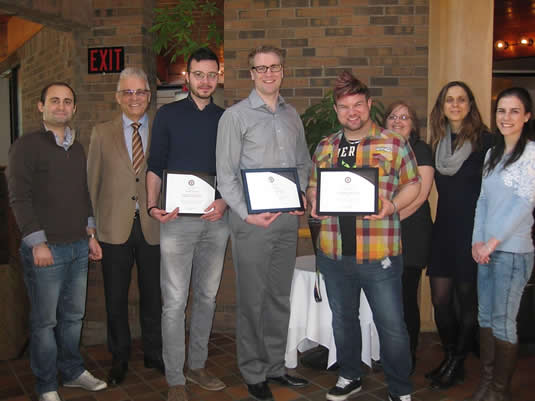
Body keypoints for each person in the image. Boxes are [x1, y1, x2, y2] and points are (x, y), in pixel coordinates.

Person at [306, 71, 419, 401]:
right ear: (336, 109)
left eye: (358, 105)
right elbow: (314, 186)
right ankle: (350, 375)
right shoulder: (326, 147)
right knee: (343, 321)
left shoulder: (393, 143)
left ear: (369, 104)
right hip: (334, 253)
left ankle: (400, 389)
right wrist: (314, 201)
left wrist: (391, 206)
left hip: (378, 253)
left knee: (392, 326)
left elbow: (413, 184)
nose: (351, 112)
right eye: (344, 107)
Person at [216, 44, 311, 401]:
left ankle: (274, 366)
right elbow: (225, 176)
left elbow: (302, 163)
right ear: (252, 73)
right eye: (261, 68)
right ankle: (253, 370)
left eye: (274, 67)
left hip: (286, 221)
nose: (268, 73)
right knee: (253, 300)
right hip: (252, 223)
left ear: (282, 70)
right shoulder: (235, 117)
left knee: (278, 297)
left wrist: (299, 193)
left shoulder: (292, 116)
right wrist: (246, 213)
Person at [7, 82, 107, 401]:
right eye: (54, 101)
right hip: (45, 250)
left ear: (74, 109)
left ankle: (73, 371)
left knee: (73, 317)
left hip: (78, 246)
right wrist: (37, 242)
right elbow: (19, 198)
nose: (61, 106)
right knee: (44, 321)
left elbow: (84, 194)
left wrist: (90, 234)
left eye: (67, 102)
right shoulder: (26, 146)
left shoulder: (78, 148)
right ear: (41, 107)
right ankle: (47, 384)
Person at [146, 47, 230, 401]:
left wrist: (225, 200)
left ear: (218, 76)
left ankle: (197, 366)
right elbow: (154, 165)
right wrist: (152, 205)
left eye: (212, 75)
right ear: (187, 77)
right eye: (199, 74)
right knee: (175, 301)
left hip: (215, 220)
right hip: (177, 220)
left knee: (208, 297)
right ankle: (175, 378)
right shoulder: (167, 115)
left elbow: (230, 170)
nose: (206, 81)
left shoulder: (227, 119)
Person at [87, 67, 163, 385]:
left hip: (153, 226)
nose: (135, 98)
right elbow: (92, 183)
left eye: (141, 92)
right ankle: (119, 357)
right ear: (119, 97)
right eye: (129, 92)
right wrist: (90, 229)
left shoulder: (162, 129)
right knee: (115, 298)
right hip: (112, 228)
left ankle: (154, 353)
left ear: (149, 95)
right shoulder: (101, 132)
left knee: (153, 295)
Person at [467, 87, 535, 401]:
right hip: (486, 251)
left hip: (512, 252)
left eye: (513, 111)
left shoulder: (532, 154)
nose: (505, 117)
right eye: (501, 111)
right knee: (484, 318)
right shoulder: (492, 154)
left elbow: (524, 204)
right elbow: (482, 201)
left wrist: (492, 242)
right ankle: (487, 383)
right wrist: (476, 242)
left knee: (503, 322)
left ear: (527, 116)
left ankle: (499, 390)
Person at [427, 81, 494, 390]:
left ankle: (457, 362)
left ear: (470, 105)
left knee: (466, 301)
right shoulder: (438, 143)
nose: (455, 105)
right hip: (443, 230)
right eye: (449, 100)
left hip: (472, 231)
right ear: (442, 106)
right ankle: (452, 354)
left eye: (461, 99)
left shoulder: (487, 143)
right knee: (440, 300)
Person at [384, 101, 434, 372]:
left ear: (413, 124)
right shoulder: (381, 150)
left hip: (410, 232)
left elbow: (420, 196)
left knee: (404, 297)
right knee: (387, 298)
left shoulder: (421, 150)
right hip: (384, 234)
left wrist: (386, 223)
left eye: (404, 116)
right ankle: (390, 353)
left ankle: (407, 356)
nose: (398, 121)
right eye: (392, 116)